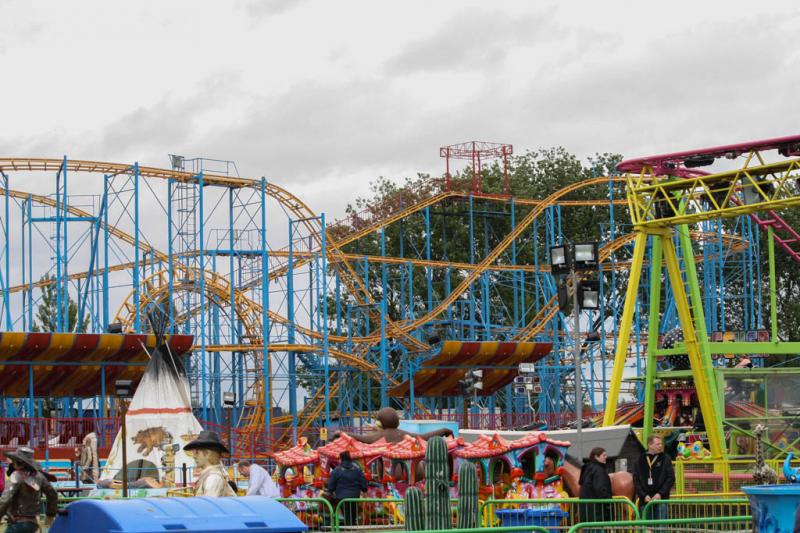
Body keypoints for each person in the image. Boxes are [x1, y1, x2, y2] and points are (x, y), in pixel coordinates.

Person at [0, 447, 58, 532]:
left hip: (17, 522)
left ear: (18, 462)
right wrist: (50, 514)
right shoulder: (39, 476)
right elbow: (52, 494)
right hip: (33, 523)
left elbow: (4, 500)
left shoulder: (16, 476)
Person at [632, 435, 674, 520]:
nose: (660, 446)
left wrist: (660, 494)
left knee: (661, 526)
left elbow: (671, 478)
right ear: (650, 445)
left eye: (661, 444)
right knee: (647, 526)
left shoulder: (666, 459)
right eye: (658, 444)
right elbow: (636, 480)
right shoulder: (639, 460)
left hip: (661, 500)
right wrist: (643, 495)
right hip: (645, 502)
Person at [183, 431, 236, 497]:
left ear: (207, 453)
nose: (194, 456)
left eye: (197, 452)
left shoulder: (213, 478)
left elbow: (208, 503)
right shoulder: (211, 476)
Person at [327, 451, 367, 526]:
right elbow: (364, 486)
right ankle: (352, 527)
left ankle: (349, 527)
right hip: (354, 497)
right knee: (353, 516)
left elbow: (330, 486)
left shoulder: (336, 470)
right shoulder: (357, 470)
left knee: (347, 516)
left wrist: (332, 491)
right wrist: (363, 489)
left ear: (341, 459)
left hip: (342, 498)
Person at [578, 447, 613, 525]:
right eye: (604, 455)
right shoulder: (599, 470)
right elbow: (601, 489)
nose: (606, 457)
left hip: (586, 512)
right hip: (597, 513)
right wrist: (608, 504)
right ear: (596, 457)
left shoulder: (586, 469)